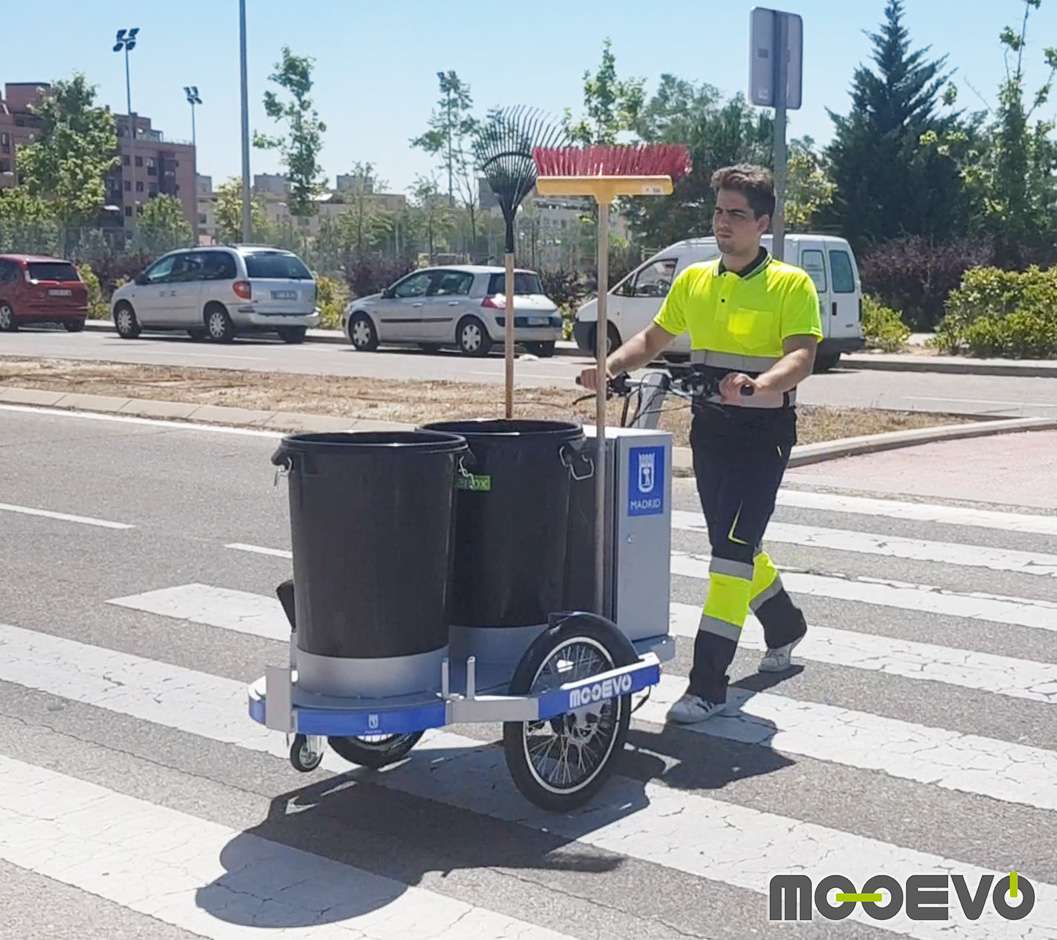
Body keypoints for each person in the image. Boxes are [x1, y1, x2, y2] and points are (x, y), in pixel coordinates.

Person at [578, 164, 822, 724]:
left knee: (730, 557)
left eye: (737, 214)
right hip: (710, 430)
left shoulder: (791, 284)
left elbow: (801, 356)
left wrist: (760, 384)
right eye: (718, 212)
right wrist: (609, 366)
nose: (723, 223)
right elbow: (652, 338)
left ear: (763, 223)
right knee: (732, 545)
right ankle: (785, 623)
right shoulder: (694, 280)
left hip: (763, 435)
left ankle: (708, 684)